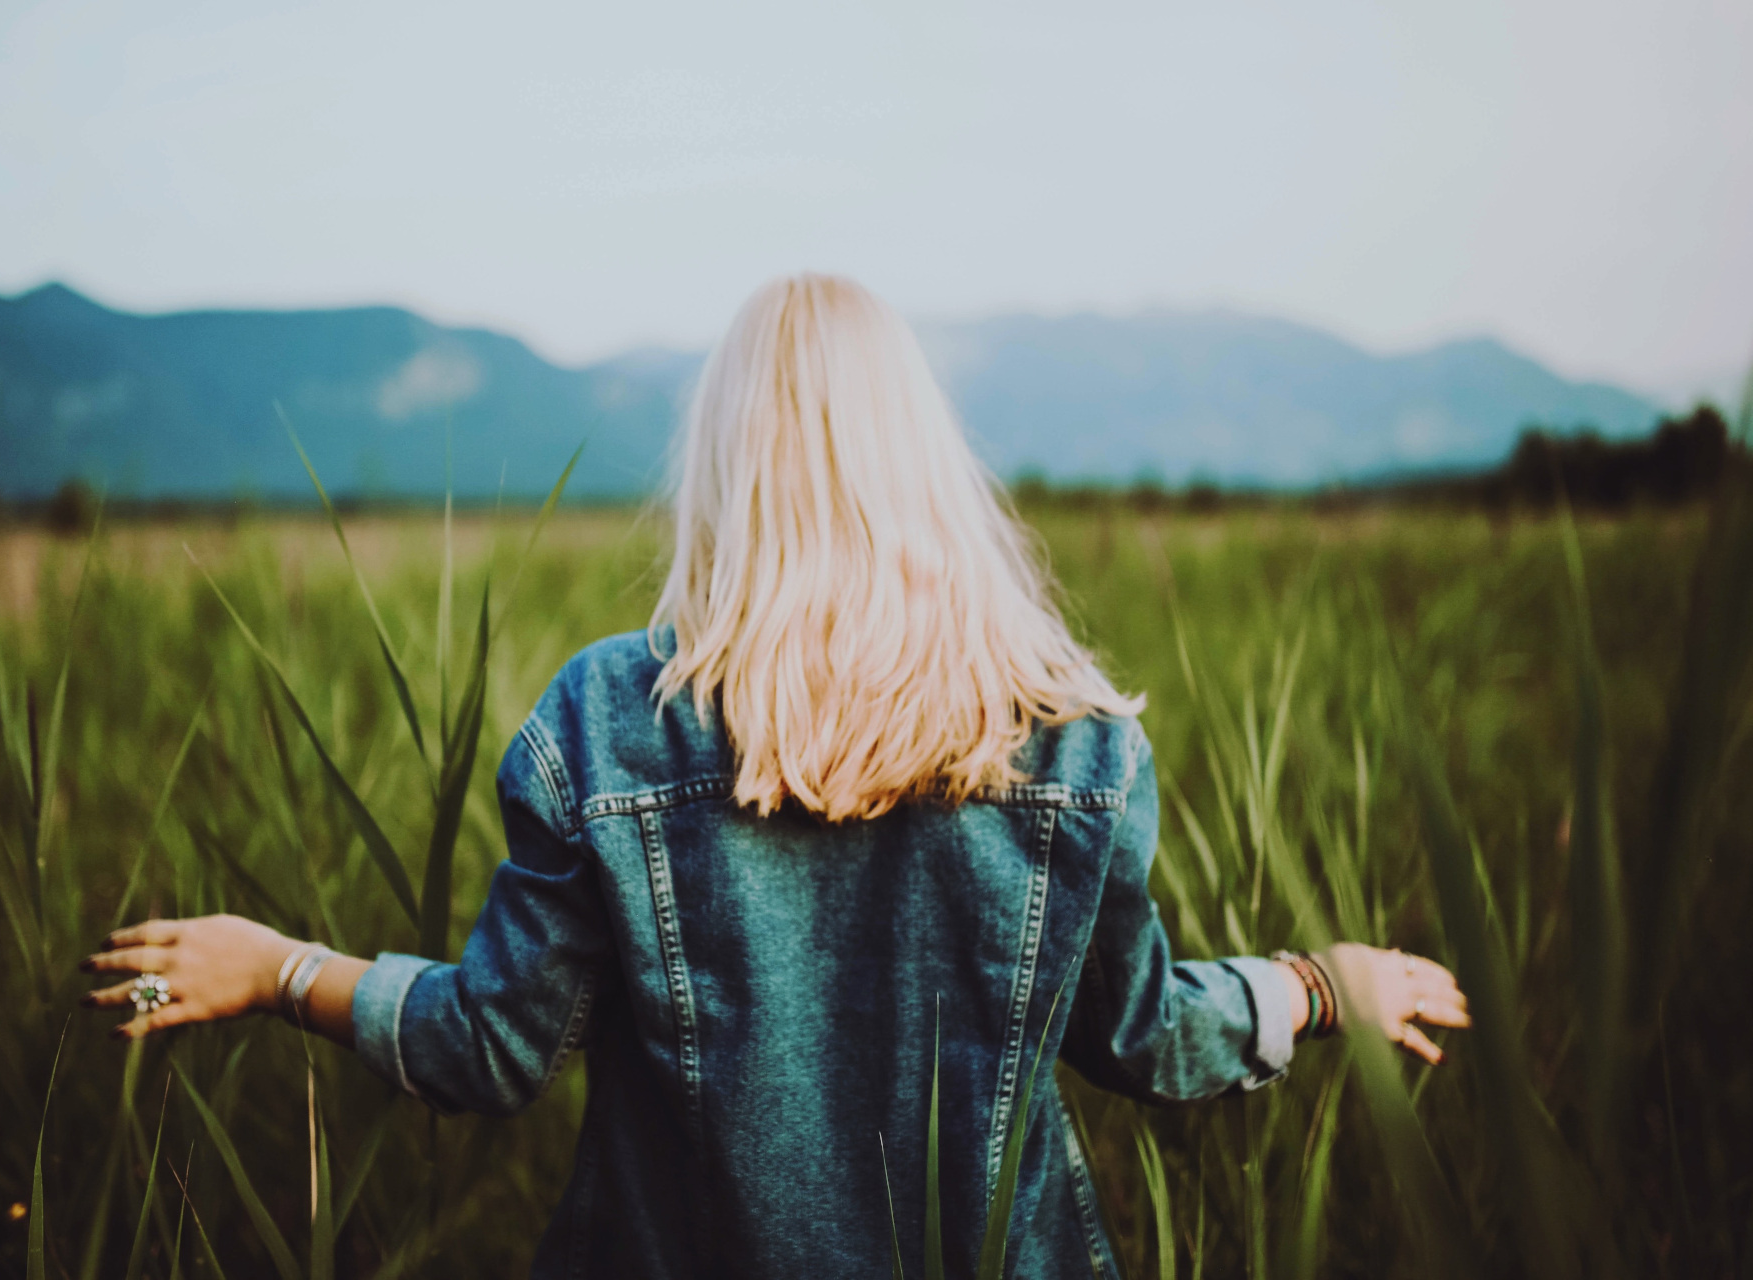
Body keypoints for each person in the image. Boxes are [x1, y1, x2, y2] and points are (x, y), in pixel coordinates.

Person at [83, 274, 1468, 1276]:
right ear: (925, 467)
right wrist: (1318, 984)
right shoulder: (1074, 739)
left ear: (726, 470)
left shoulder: (609, 722)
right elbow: (1143, 1037)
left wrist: (275, 967)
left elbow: (490, 1050)